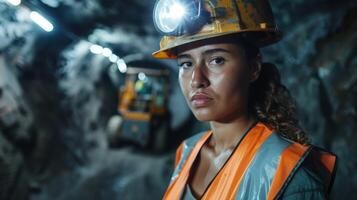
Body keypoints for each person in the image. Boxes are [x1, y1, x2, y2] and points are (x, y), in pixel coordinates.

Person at [152, 0, 337, 199]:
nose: (197, 80)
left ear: (254, 68)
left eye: (217, 60)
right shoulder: (187, 151)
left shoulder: (289, 175)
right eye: (186, 64)